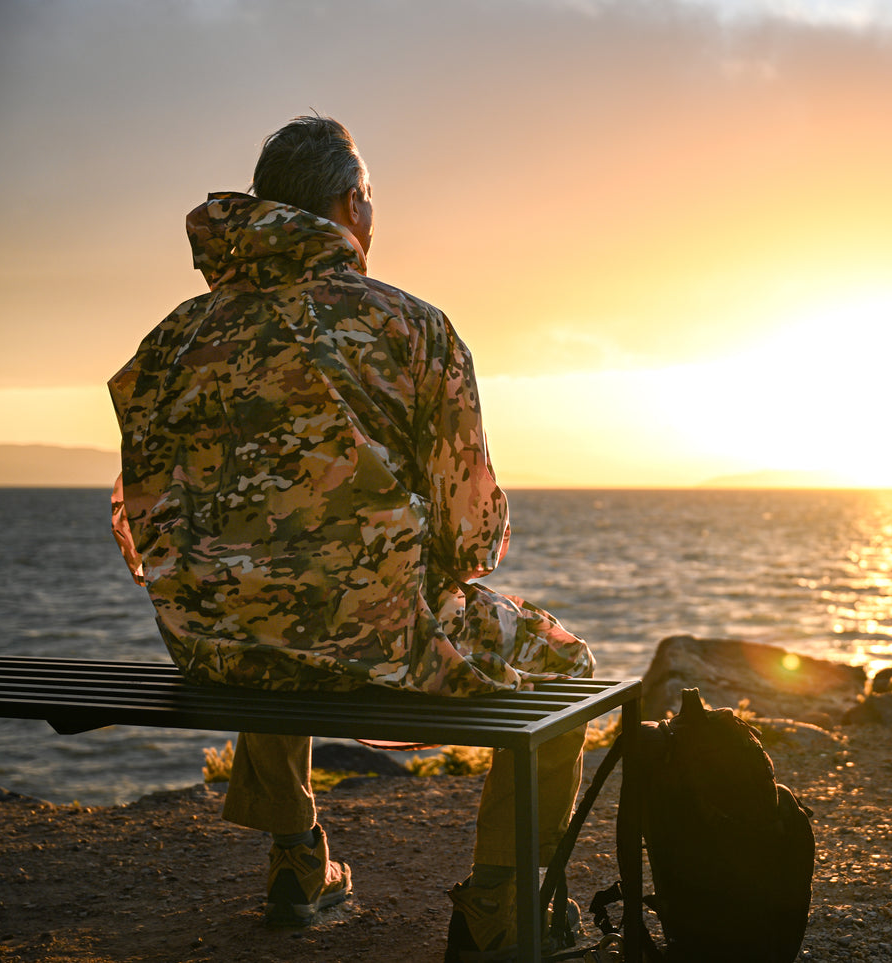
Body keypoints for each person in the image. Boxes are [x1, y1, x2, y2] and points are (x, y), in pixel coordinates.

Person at [109, 115, 594, 959]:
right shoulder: (411, 326)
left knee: (268, 608)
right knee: (564, 667)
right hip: (366, 636)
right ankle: (498, 906)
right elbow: (471, 536)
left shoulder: (173, 336)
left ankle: (298, 863)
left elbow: (138, 515)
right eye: (369, 197)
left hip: (213, 640)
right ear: (347, 205)